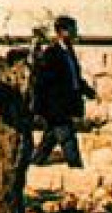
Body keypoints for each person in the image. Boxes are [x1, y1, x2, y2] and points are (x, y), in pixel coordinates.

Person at [30, 15, 95, 168]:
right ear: (62, 32)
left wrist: (87, 90)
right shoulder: (51, 53)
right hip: (56, 107)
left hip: (66, 106)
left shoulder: (69, 52)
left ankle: (33, 165)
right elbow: (43, 83)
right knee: (68, 140)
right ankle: (77, 170)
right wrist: (40, 108)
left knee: (49, 141)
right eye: (72, 29)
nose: (75, 33)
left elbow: (74, 77)